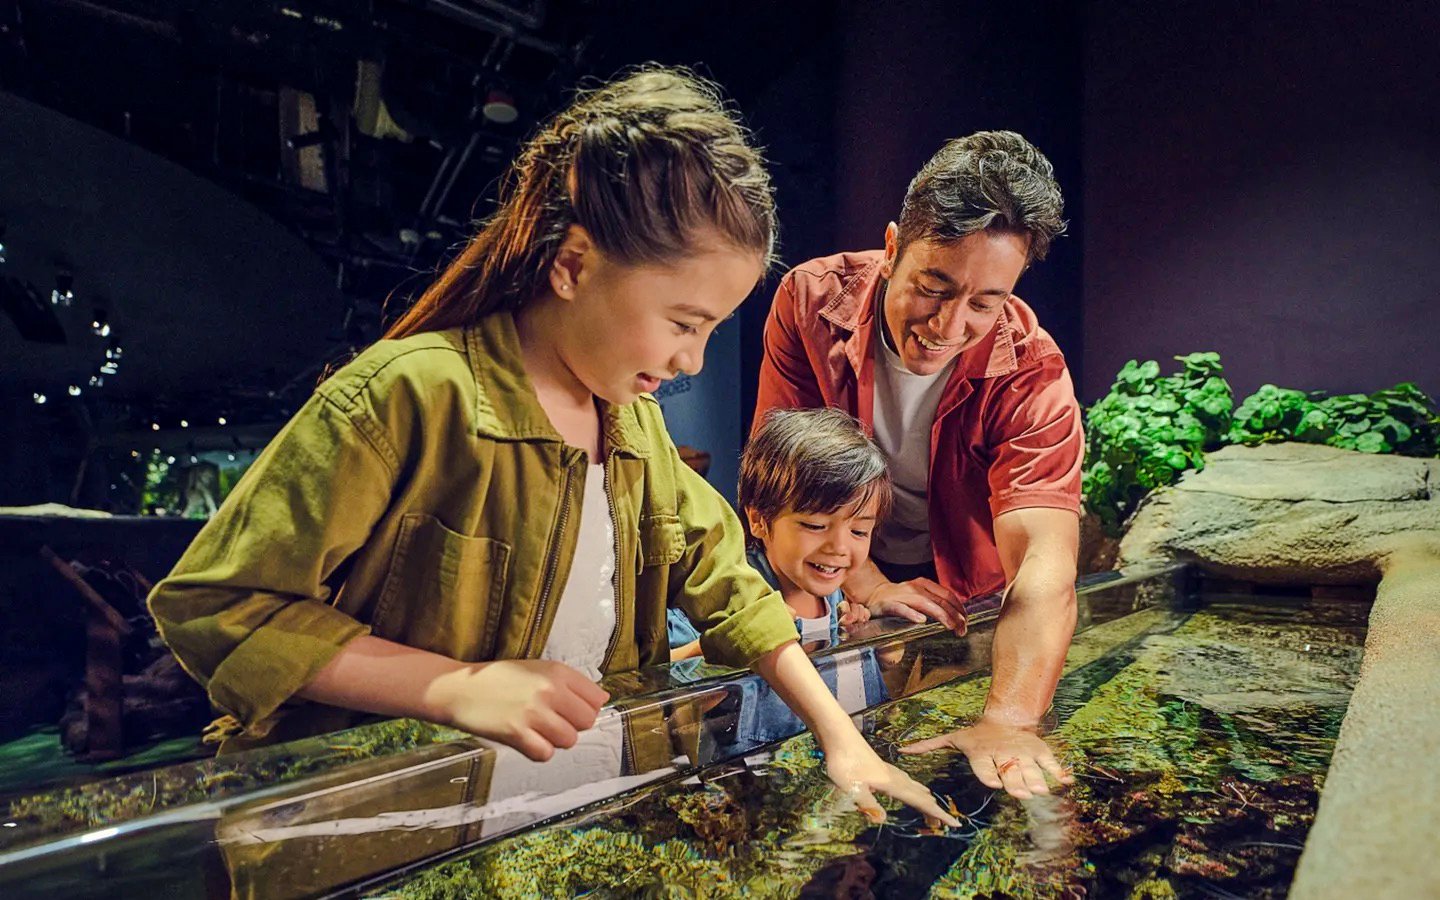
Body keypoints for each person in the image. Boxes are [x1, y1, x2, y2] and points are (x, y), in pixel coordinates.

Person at [147, 66, 955, 827]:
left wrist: (839, 738)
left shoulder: (636, 429)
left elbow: (729, 584)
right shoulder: (413, 394)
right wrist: (453, 686)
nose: (692, 361)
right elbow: (218, 606)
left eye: (711, 328)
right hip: (397, 824)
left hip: (575, 809)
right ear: (574, 264)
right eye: (682, 322)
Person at [754, 131, 1081, 799]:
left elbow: (1045, 561)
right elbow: (779, 467)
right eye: (933, 287)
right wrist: (868, 584)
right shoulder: (809, 302)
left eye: (985, 304)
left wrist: (1010, 718)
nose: (949, 324)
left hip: (966, 590)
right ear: (893, 246)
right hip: (841, 559)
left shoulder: (1034, 367)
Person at [668, 407, 882, 657]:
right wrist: (715, 649)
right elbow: (655, 675)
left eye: (859, 531)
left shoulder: (835, 597)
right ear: (758, 519)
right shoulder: (725, 595)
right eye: (815, 526)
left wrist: (873, 651)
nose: (838, 547)